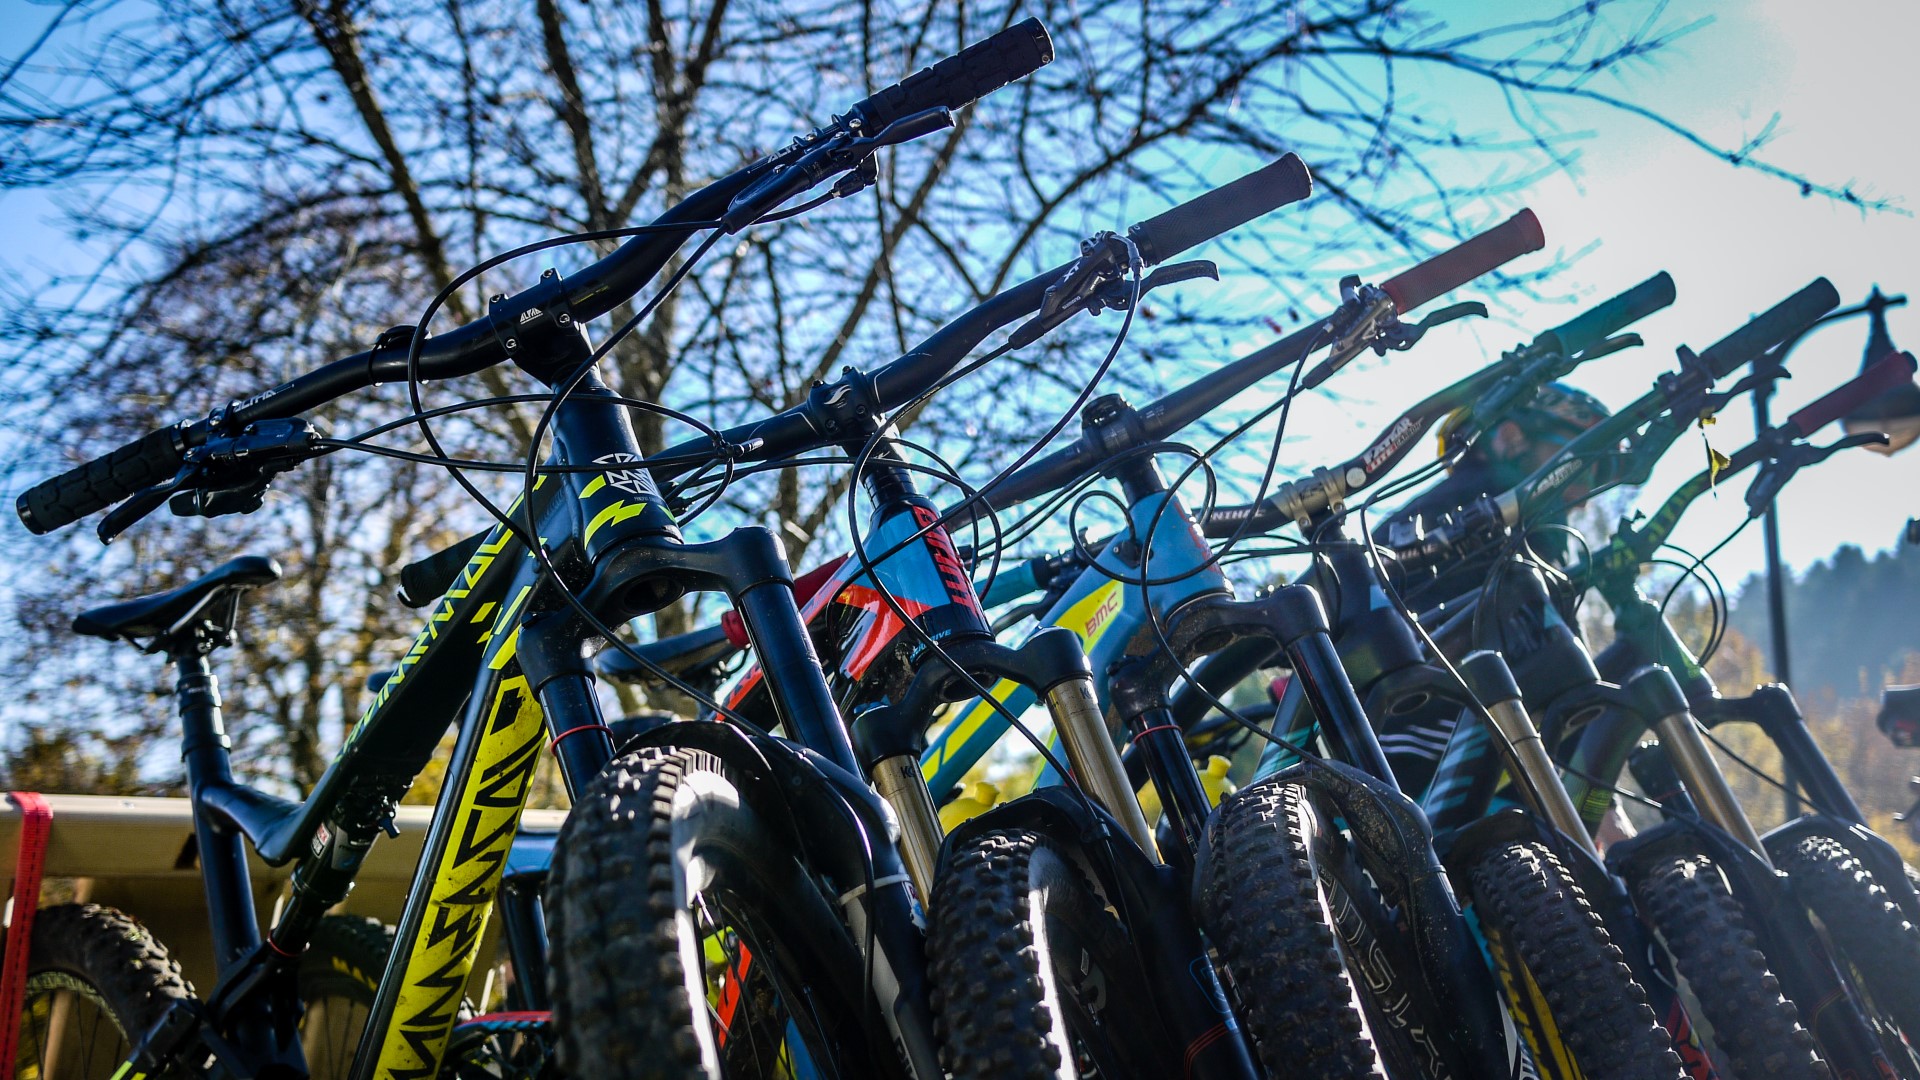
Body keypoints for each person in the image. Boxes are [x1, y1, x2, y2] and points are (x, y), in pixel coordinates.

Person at [1371, 382, 1610, 799]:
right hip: (1425, 741)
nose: (1585, 493)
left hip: (1461, 740)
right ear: (1510, 438)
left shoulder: (1533, 534)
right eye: (1578, 461)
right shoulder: (1475, 506)